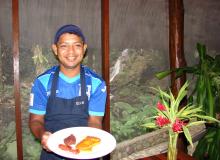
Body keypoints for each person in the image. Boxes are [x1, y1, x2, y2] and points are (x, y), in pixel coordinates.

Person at [28, 24, 107, 160]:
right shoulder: (42, 82)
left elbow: (95, 121)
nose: (71, 52)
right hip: (51, 153)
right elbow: (35, 120)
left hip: (84, 153)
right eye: (64, 46)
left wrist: (87, 143)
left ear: (84, 48)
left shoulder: (97, 84)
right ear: (55, 49)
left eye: (76, 45)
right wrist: (43, 135)